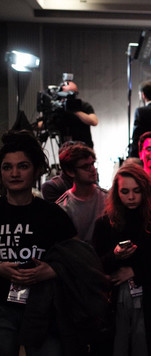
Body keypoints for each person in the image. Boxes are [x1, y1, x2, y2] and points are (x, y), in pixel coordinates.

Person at [0, 130, 78, 355]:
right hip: (2, 306)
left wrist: (52, 271)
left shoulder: (52, 214)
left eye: (22, 166)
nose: (14, 173)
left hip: (44, 306)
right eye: (7, 167)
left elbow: (79, 259)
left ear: (36, 170)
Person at [92, 163, 151, 356]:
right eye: (125, 191)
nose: (131, 197)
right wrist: (115, 255)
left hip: (149, 298)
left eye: (136, 191)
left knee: (144, 343)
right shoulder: (104, 223)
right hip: (113, 300)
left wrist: (135, 271)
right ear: (117, 193)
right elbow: (95, 264)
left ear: (144, 190)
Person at [56, 143, 107, 241]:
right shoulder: (62, 207)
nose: (92, 170)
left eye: (92, 164)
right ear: (70, 171)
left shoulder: (107, 198)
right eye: (85, 166)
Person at [52, 79, 99, 148]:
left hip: (84, 148)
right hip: (65, 149)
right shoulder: (59, 109)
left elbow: (94, 122)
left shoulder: (83, 106)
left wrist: (75, 111)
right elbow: (45, 124)